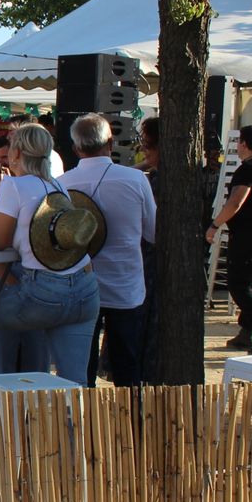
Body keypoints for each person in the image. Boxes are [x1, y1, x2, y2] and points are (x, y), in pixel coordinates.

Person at [0, 123, 102, 386]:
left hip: (44, 294)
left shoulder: (14, 185)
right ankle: (71, 414)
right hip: (85, 287)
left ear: (17, 153)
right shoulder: (57, 185)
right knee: (75, 383)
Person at [58, 114, 157, 386]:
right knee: (127, 364)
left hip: (80, 285)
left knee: (81, 366)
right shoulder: (135, 180)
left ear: (76, 148)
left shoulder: (62, 183)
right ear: (110, 143)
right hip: (126, 285)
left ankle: (85, 412)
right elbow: (153, 233)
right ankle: (131, 413)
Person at [206, 125, 252, 351]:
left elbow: (236, 201)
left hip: (251, 235)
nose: (237, 147)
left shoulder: (248, 169)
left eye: (238, 142)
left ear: (244, 144)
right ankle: (246, 335)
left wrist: (215, 225)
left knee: (238, 285)